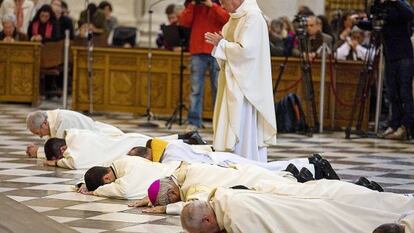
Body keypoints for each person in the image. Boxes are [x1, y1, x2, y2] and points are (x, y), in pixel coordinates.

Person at [205, 0, 276, 162]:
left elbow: (247, 52)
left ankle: (247, 159)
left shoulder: (253, 18)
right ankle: (232, 159)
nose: (222, 6)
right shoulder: (236, 17)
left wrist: (221, 44)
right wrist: (221, 43)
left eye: (223, 2)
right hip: (233, 78)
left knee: (243, 122)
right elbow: (229, 43)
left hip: (246, 84)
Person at [180, 187, 414, 233]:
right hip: (309, 206)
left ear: (209, 220)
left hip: (310, 219)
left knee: (356, 224)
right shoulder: (225, 196)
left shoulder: (237, 218)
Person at [127, 161, 299, 214]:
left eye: (170, 199)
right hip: (251, 172)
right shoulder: (184, 172)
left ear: (172, 192)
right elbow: (164, 183)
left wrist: (164, 208)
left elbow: (195, 207)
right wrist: (150, 197)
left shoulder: (191, 187)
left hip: (262, 184)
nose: (175, 199)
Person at [128, 138, 327, 175]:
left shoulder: (168, 160)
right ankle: (307, 163)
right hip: (221, 159)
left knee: (265, 170)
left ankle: (309, 165)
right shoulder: (169, 147)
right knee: (264, 168)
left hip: (224, 166)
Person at [178, 0, 229, 130]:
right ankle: (194, 121)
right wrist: (193, 4)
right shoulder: (194, 6)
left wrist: (212, 5)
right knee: (195, 89)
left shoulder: (219, 4)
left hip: (216, 50)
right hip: (197, 50)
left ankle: (219, 122)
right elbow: (184, 22)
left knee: (218, 88)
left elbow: (227, 19)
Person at [43, 130, 207, 169]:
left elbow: (75, 161)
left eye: (59, 156)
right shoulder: (75, 133)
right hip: (125, 140)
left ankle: (194, 142)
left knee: (166, 149)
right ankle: (188, 138)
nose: (62, 158)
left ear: (63, 148)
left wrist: (55, 164)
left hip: (126, 147)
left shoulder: (75, 143)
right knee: (163, 144)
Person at [374, 0, 414, 140]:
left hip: (404, 56)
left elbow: (409, 14)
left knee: (404, 92)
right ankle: (394, 124)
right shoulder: (382, 7)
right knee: (392, 93)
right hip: (389, 55)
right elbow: (375, 23)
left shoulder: (401, 4)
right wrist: (357, 22)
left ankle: (406, 126)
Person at [25, 109, 124, 158]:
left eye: (39, 133)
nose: (41, 136)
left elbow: (65, 153)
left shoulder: (63, 122)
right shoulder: (51, 118)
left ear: (44, 124)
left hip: (106, 140)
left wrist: (38, 152)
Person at [79, 156, 182, 199]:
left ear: (106, 179)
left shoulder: (127, 168)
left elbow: (124, 191)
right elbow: (94, 171)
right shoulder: (117, 163)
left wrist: (96, 192)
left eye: (106, 185)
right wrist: (83, 184)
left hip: (178, 174)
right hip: (175, 167)